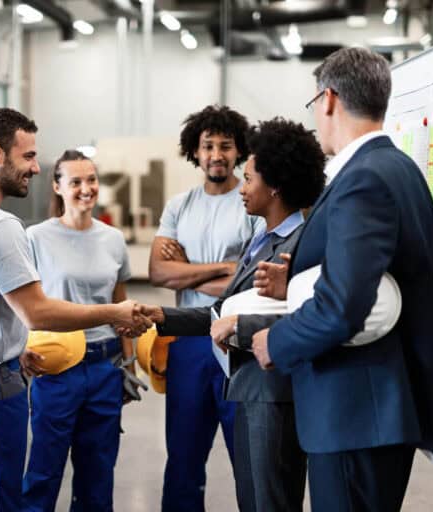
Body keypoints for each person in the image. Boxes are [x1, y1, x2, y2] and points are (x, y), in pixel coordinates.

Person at [250, 47, 433, 511]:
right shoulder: (398, 169)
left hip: (355, 413)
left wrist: (275, 343)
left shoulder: (363, 179)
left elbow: (342, 307)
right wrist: (296, 283)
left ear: (329, 99)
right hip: (373, 410)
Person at [0, 108, 151, 511]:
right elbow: (36, 313)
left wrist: (16, 350)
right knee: (0, 491)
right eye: (28, 156)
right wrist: (114, 313)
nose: (35, 167)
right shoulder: (3, 227)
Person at [140, 118, 326, 511]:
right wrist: (165, 310)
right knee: (214, 474)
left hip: (266, 376)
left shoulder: (294, 239)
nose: (242, 187)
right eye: (208, 146)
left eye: (249, 178)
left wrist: (193, 275)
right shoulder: (254, 235)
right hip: (223, 362)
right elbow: (184, 287)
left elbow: (302, 312)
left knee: (266, 488)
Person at [148, 104, 263, 511]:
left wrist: (188, 269)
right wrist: (224, 267)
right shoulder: (180, 205)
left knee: (249, 460)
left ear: (239, 151)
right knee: (182, 459)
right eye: (208, 145)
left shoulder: (251, 200)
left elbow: (251, 278)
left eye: (226, 146)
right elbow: (159, 273)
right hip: (188, 341)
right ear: (194, 152)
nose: (217, 154)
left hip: (238, 341)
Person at [22, 150, 140, 511]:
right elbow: (19, 305)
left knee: (98, 474)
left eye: (91, 180)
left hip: (105, 367)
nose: (86, 189)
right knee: (44, 472)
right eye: (75, 182)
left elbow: (122, 306)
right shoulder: (35, 238)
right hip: (56, 369)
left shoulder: (113, 239)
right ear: (57, 187)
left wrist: (129, 365)